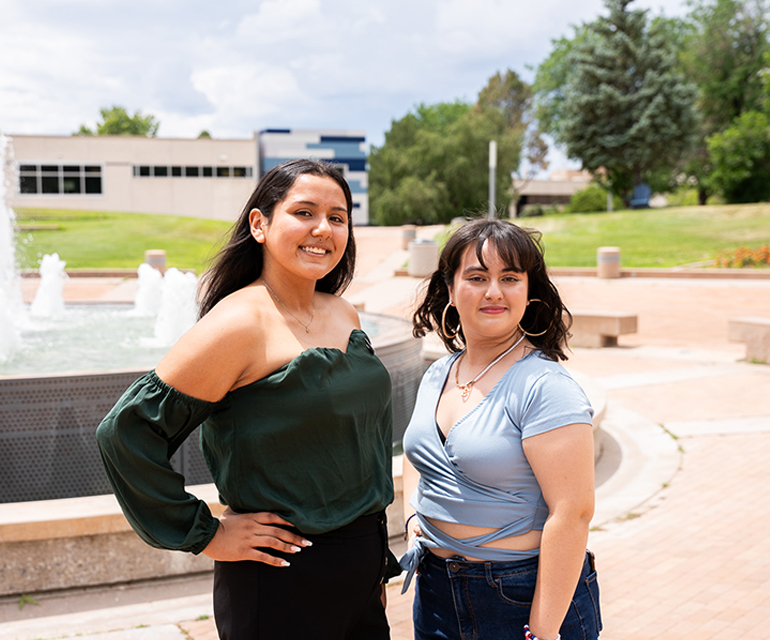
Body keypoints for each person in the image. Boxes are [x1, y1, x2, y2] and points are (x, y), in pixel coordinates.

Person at [96, 158, 398, 640]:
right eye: (304, 212)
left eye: (337, 217)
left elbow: (359, 444)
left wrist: (372, 561)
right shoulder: (238, 323)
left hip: (361, 564)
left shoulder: (343, 312)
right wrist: (208, 533)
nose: (323, 228)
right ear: (260, 223)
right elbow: (126, 432)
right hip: (283, 578)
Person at [399, 218, 602, 640]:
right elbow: (420, 455)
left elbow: (573, 513)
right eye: (476, 277)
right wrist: (413, 517)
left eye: (509, 278)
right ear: (451, 290)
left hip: (519, 596)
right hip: (435, 591)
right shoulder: (439, 372)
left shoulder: (546, 386)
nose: (494, 291)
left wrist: (542, 631)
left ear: (529, 294)